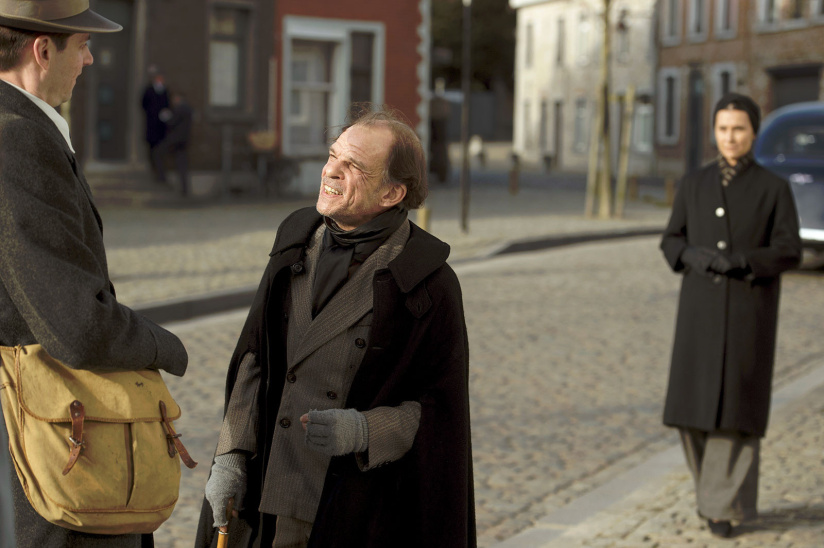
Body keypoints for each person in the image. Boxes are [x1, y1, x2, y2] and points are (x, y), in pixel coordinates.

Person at [195, 107, 476, 548]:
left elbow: (439, 416)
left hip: (353, 511)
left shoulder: (428, 283)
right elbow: (254, 360)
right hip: (263, 495)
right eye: (332, 155)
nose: (331, 171)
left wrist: (365, 431)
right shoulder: (293, 240)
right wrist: (230, 456)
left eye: (354, 167)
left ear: (391, 193)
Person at [0, 2, 189, 547]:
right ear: (42, 50)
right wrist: (165, 347)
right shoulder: (17, 138)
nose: (87, 60)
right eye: (81, 45)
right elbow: (78, 325)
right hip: (49, 459)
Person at [660, 92, 802, 538]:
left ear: (753, 133)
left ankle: (718, 506)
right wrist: (692, 256)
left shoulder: (773, 188)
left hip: (748, 312)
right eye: (723, 129)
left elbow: (789, 250)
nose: (730, 137)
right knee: (692, 413)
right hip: (698, 313)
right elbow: (670, 239)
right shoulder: (694, 182)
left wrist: (744, 262)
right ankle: (731, 501)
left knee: (735, 414)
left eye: (738, 129)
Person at [153, 91, 193, 196]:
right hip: (183, 140)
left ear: (178, 98)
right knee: (182, 164)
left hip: (175, 139)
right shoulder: (188, 109)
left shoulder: (180, 109)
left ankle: (162, 177)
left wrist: (165, 117)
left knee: (158, 152)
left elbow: (172, 122)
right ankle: (184, 189)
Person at [141, 64, 169, 180]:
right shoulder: (149, 90)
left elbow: (167, 105)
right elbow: (143, 104)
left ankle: (160, 172)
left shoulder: (165, 91)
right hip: (152, 125)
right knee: (152, 149)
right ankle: (154, 171)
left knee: (161, 149)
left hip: (162, 127)